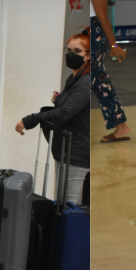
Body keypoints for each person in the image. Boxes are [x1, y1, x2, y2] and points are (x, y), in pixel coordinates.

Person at [15, 33, 91, 203]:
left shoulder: (85, 83)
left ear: (88, 55)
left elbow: (64, 114)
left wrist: (31, 119)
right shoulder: (74, 78)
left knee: (69, 208)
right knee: (63, 204)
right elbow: (70, 108)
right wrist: (59, 100)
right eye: (68, 50)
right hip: (64, 152)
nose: (71, 54)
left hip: (75, 156)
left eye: (77, 51)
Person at [91, 0, 132, 143]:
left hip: (94, 35)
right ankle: (120, 125)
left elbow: (101, 17)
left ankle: (120, 125)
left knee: (97, 81)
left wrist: (114, 45)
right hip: (85, 33)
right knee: (98, 82)